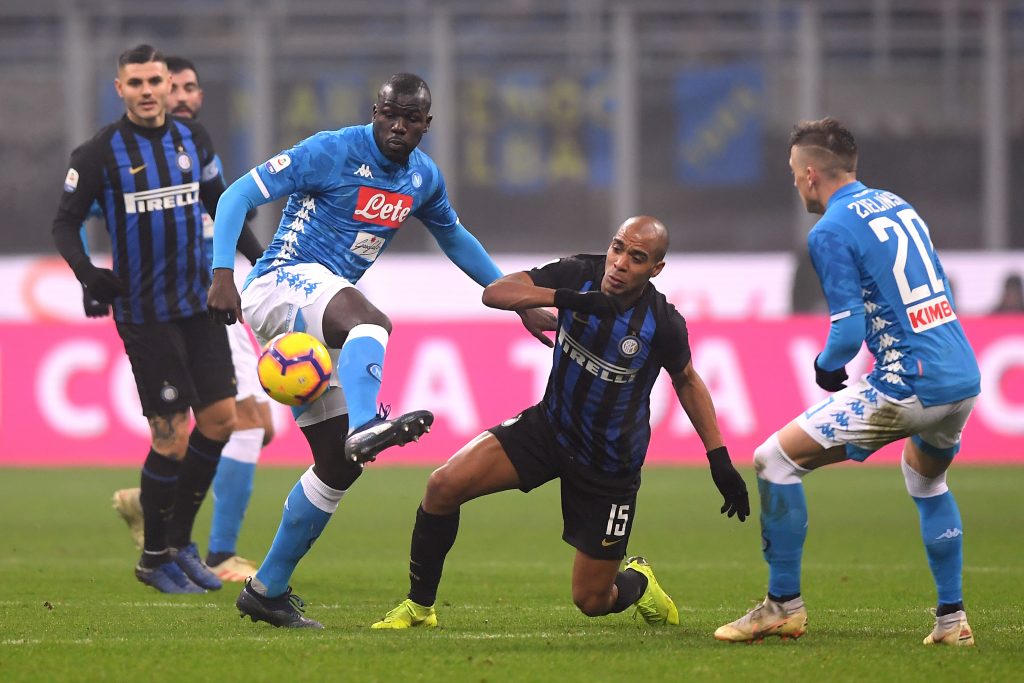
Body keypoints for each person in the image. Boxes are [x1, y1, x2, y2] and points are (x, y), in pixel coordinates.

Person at [207, 72, 555, 628]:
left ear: (426, 123)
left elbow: (454, 236)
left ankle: (266, 590)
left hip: (318, 310)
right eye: (389, 113)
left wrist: (517, 299)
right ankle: (369, 423)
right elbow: (236, 195)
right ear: (375, 110)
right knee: (370, 321)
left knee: (336, 466)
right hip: (281, 282)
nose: (398, 125)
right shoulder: (329, 150)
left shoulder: (422, 177)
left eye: (411, 118)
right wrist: (223, 273)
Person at [371, 215, 750, 630]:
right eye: (618, 247)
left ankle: (639, 581)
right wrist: (566, 298)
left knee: (591, 600)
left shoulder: (662, 322)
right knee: (442, 486)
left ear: (655, 269)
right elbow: (495, 293)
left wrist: (719, 459)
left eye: (637, 257)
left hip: (609, 466)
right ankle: (419, 608)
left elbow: (688, 381)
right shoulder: (579, 274)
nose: (620, 262)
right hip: (549, 429)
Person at [714, 117, 980, 647]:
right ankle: (952, 622)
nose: (793, 183)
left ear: (811, 174)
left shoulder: (830, 229)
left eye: (793, 172)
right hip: (962, 375)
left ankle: (782, 606)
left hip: (908, 383)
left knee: (774, 460)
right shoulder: (898, 204)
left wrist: (827, 364)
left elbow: (847, 327)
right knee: (927, 481)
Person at [51, 44, 263, 594]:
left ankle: (180, 546)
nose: (147, 91)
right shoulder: (99, 153)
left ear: (170, 84)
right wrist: (88, 275)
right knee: (172, 439)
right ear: (120, 88)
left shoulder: (194, 141)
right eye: (135, 82)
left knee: (220, 422)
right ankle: (153, 557)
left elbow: (223, 203)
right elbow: (65, 224)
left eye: (155, 81)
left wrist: (262, 262)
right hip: (146, 314)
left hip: (201, 304)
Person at [109, 55, 274, 583]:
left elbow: (231, 211)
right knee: (241, 424)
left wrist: (265, 260)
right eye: (170, 86)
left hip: (215, 301)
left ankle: (159, 511)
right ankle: (216, 552)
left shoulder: (195, 148)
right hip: (185, 303)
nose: (180, 96)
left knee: (252, 426)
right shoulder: (136, 157)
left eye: (190, 88)